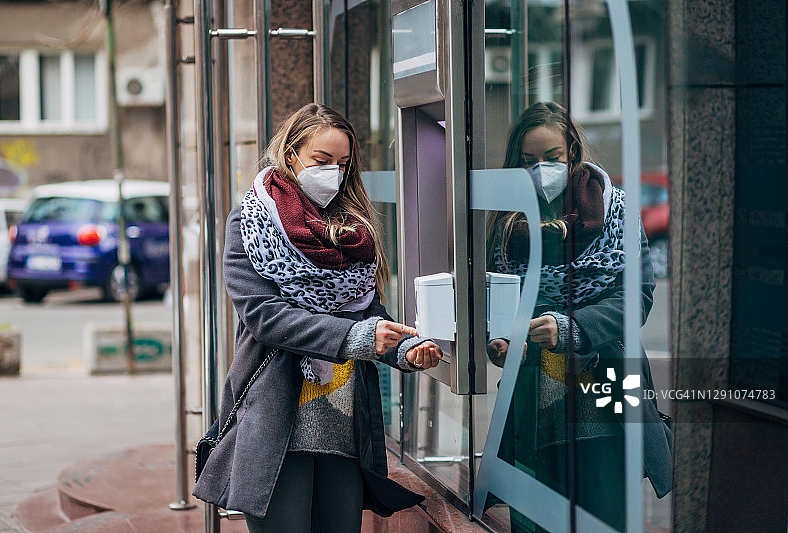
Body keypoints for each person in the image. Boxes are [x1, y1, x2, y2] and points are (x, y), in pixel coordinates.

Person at [193, 103, 443, 533]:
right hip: (277, 423)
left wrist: (405, 347)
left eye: (343, 163)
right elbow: (264, 316)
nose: (334, 173)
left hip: (344, 426)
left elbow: (367, 310)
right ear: (291, 155)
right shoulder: (252, 222)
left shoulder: (352, 229)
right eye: (321, 161)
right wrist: (358, 338)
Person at [486, 102, 672, 531]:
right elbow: (496, 298)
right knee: (537, 518)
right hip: (536, 394)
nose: (541, 169)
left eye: (551, 158)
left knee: (607, 515)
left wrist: (570, 327)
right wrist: (501, 340)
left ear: (572, 151)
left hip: (605, 389)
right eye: (529, 161)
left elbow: (637, 298)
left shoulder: (619, 211)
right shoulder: (506, 220)